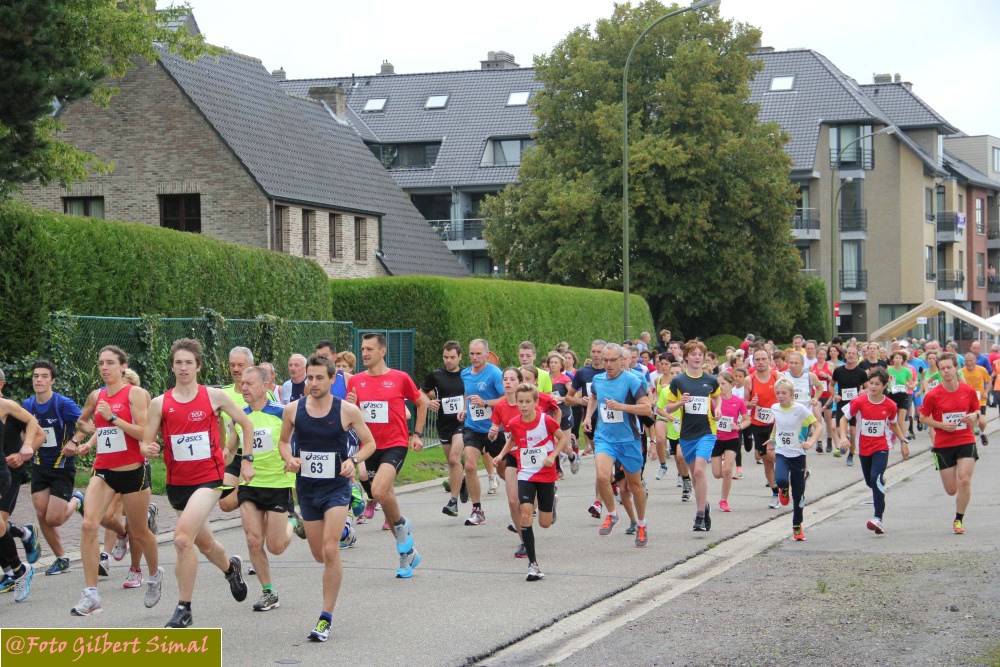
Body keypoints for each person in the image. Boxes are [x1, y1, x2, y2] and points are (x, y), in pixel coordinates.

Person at [141, 338, 255, 628]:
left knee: (181, 539)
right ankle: (231, 568)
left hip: (209, 478)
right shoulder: (159, 404)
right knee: (204, 543)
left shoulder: (214, 397)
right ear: (172, 366)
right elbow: (146, 441)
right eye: (178, 362)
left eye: (188, 362)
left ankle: (184, 608)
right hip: (178, 483)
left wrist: (247, 459)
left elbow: (246, 423)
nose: (183, 367)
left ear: (198, 366)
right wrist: (148, 449)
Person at [279, 355, 376, 641]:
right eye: (310, 377)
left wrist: (353, 460)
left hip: (336, 488)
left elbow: (370, 443)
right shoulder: (293, 410)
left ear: (333, 380)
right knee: (319, 554)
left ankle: (325, 617)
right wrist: (290, 459)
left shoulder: (346, 410)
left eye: (320, 377)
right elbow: (284, 442)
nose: (313, 383)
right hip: (307, 490)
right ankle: (345, 530)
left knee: (331, 550)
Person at [70, 346, 161, 616]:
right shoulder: (96, 395)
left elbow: (145, 431)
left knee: (140, 531)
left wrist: (113, 418)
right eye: (101, 363)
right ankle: (91, 594)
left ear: (123, 366)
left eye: (110, 363)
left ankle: (155, 576)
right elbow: (83, 420)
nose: (104, 367)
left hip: (133, 471)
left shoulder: (135, 393)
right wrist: (87, 433)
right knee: (89, 523)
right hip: (104, 470)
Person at [346, 333, 428, 577]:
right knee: (385, 497)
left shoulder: (399, 378)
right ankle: (407, 555)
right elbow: (352, 418)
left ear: (383, 351)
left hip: (395, 444)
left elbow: (421, 402)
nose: (365, 353)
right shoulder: (356, 381)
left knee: (380, 491)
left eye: (370, 348)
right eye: (362, 348)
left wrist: (417, 434)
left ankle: (401, 524)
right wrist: (350, 404)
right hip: (369, 447)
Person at [236, 366, 307, 613]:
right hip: (249, 484)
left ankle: (293, 523)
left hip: (278, 483)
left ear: (266, 385)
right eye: (242, 383)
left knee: (276, 547)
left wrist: (294, 460)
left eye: (249, 383)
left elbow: (296, 441)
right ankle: (269, 592)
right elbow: (227, 450)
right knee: (254, 539)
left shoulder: (282, 414)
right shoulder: (240, 417)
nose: (244, 387)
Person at [493, 383, 568, 581]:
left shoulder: (547, 421)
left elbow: (562, 439)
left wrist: (553, 455)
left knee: (544, 523)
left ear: (536, 403)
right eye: (520, 402)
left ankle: (551, 505)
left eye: (528, 401)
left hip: (546, 473)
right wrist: (501, 455)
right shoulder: (515, 422)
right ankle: (533, 564)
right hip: (526, 473)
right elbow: (512, 440)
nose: (524, 405)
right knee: (524, 513)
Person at [583, 343, 652, 547]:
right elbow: (594, 397)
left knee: (634, 485)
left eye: (613, 360)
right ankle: (612, 514)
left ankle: (641, 523)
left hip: (628, 439)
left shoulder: (632, 380)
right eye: (605, 360)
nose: (609, 364)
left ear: (623, 360)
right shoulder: (598, 379)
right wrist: (588, 416)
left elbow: (647, 408)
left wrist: (621, 407)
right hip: (605, 437)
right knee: (603, 476)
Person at [23, 360, 85, 576]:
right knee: (41, 514)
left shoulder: (63, 404)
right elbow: (24, 431)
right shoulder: (28, 405)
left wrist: (74, 442)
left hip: (61, 467)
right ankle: (61, 558)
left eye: (43, 376)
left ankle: (77, 500)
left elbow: (86, 423)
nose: (38, 380)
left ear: (52, 380)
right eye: (35, 376)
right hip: (40, 466)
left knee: (54, 519)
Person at [918, 352, 982, 534]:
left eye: (949, 367)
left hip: (965, 440)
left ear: (956, 368)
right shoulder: (933, 395)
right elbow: (922, 417)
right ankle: (955, 483)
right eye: (942, 369)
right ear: (939, 372)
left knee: (965, 480)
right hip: (943, 444)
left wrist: (974, 416)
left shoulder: (967, 391)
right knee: (951, 490)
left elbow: (977, 411)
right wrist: (941, 425)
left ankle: (958, 520)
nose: (946, 371)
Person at [839, 368, 908, 535]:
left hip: (881, 447)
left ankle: (878, 519)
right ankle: (879, 483)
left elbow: (893, 424)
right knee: (871, 482)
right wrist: (843, 437)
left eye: (877, 384)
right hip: (864, 447)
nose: (873, 387)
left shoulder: (890, 405)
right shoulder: (860, 401)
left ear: (884, 385)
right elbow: (843, 419)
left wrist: (903, 441)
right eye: (871, 383)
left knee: (875, 479)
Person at [662, 340, 722, 532]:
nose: (697, 357)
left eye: (700, 354)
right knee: (695, 476)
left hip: (707, 432)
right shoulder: (679, 381)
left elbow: (717, 396)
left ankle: (699, 515)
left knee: (698, 472)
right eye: (694, 354)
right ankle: (704, 505)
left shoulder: (711, 380)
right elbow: (668, 407)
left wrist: (718, 408)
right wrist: (681, 403)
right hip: (687, 434)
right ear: (686, 357)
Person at [0, 379, 42, 602]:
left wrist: (26, 448)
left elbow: (33, 422)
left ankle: (15, 571)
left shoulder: (4, 405)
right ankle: (18, 570)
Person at [767, 377, 823, 541]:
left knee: (799, 496)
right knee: (781, 479)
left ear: (792, 394)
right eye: (777, 393)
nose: (780, 396)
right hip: (782, 452)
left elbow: (818, 426)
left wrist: (811, 442)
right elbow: (777, 423)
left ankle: (797, 526)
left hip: (798, 455)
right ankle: (784, 489)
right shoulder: (774, 407)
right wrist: (772, 437)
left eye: (784, 393)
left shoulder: (800, 409)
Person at [420, 341, 468, 517]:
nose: (448, 361)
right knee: (452, 462)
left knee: (455, 459)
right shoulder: (436, 375)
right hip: (444, 424)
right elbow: (421, 392)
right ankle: (460, 481)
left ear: (459, 357)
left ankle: (453, 502)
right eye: (445, 357)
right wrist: (428, 402)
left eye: (452, 357)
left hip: (462, 423)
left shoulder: (467, 374)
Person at [459, 339, 506, 509]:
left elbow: (505, 398)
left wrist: (485, 402)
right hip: (473, 427)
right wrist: (464, 409)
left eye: (478, 353)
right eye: (472, 353)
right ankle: (477, 509)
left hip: (494, 428)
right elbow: (467, 394)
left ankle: (531, 494)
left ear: (487, 354)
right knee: (470, 466)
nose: (474, 357)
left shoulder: (494, 373)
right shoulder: (464, 374)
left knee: (503, 472)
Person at [744, 348, 780, 508]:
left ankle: (788, 472)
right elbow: (744, 402)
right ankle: (775, 492)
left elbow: (788, 396)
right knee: (765, 459)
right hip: (758, 424)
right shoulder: (749, 379)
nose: (760, 362)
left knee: (773, 455)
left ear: (769, 360)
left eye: (763, 359)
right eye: (757, 359)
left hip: (776, 423)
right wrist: (750, 404)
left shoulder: (777, 377)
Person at [712, 371, 749, 512]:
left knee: (727, 470)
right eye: (718, 384)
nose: (720, 386)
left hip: (732, 438)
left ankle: (724, 500)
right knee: (717, 474)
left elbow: (747, 419)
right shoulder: (713, 401)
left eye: (723, 384)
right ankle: (722, 463)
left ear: (731, 385)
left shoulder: (738, 401)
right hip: (716, 439)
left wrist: (739, 426)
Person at [832, 347, 869, 467]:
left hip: (855, 404)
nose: (851, 355)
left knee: (853, 431)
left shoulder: (861, 372)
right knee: (838, 430)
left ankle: (851, 455)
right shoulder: (838, 371)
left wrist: (863, 392)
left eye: (853, 353)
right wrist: (835, 395)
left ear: (857, 357)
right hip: (842, 404)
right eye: (849, 353)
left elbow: (868, 387)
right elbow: (831, 385)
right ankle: (844, 440)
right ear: (845, 356)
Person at [960, 352, 991, 448]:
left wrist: (986, 392)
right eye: (966, 361)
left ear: (975, 361)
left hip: (980, 400)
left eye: (970, 361)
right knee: (972, 423)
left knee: (981, 421)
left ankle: (982, 432)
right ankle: (972, 444)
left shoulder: (982, 370)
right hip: (968, 401)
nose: (968, 363)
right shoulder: (961, 372)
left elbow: (989, 382)